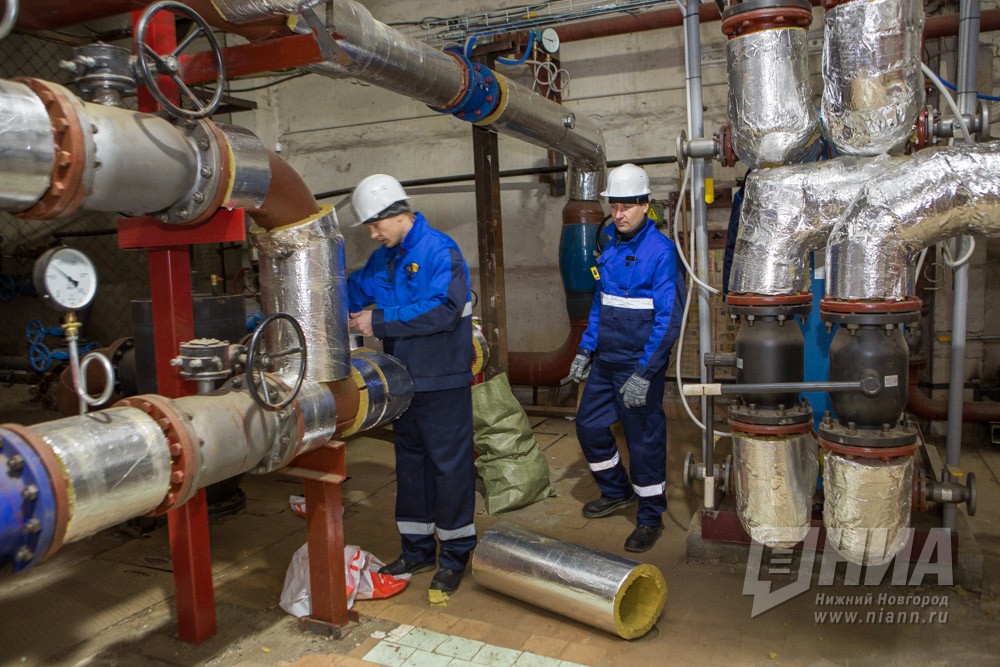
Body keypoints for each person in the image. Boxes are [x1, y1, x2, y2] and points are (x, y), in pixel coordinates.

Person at [345, 173, 476, 595]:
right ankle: (417, 549)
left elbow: (444, 310)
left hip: (442, 380)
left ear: (398, 213)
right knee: (412, 466)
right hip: (401, 382)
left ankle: (454, 555)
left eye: (375, 223)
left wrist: (379, 320)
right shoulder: (383, 259)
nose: (372, 233)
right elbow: (353, 291)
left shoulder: (440, 250)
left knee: (449, 468)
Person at [565, 163, 685, 553]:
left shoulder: (661, 252)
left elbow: (668, 320)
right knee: (588, 426)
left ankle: (650, 517)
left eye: (627, 206)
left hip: (639, 364)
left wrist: (645, 373)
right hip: (606, 360)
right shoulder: (611, 247)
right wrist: (586, 349)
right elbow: (601, 305)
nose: (619, 214)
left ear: (645, 205)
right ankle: (617, 490)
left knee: (643, 441)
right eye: (614, 206)